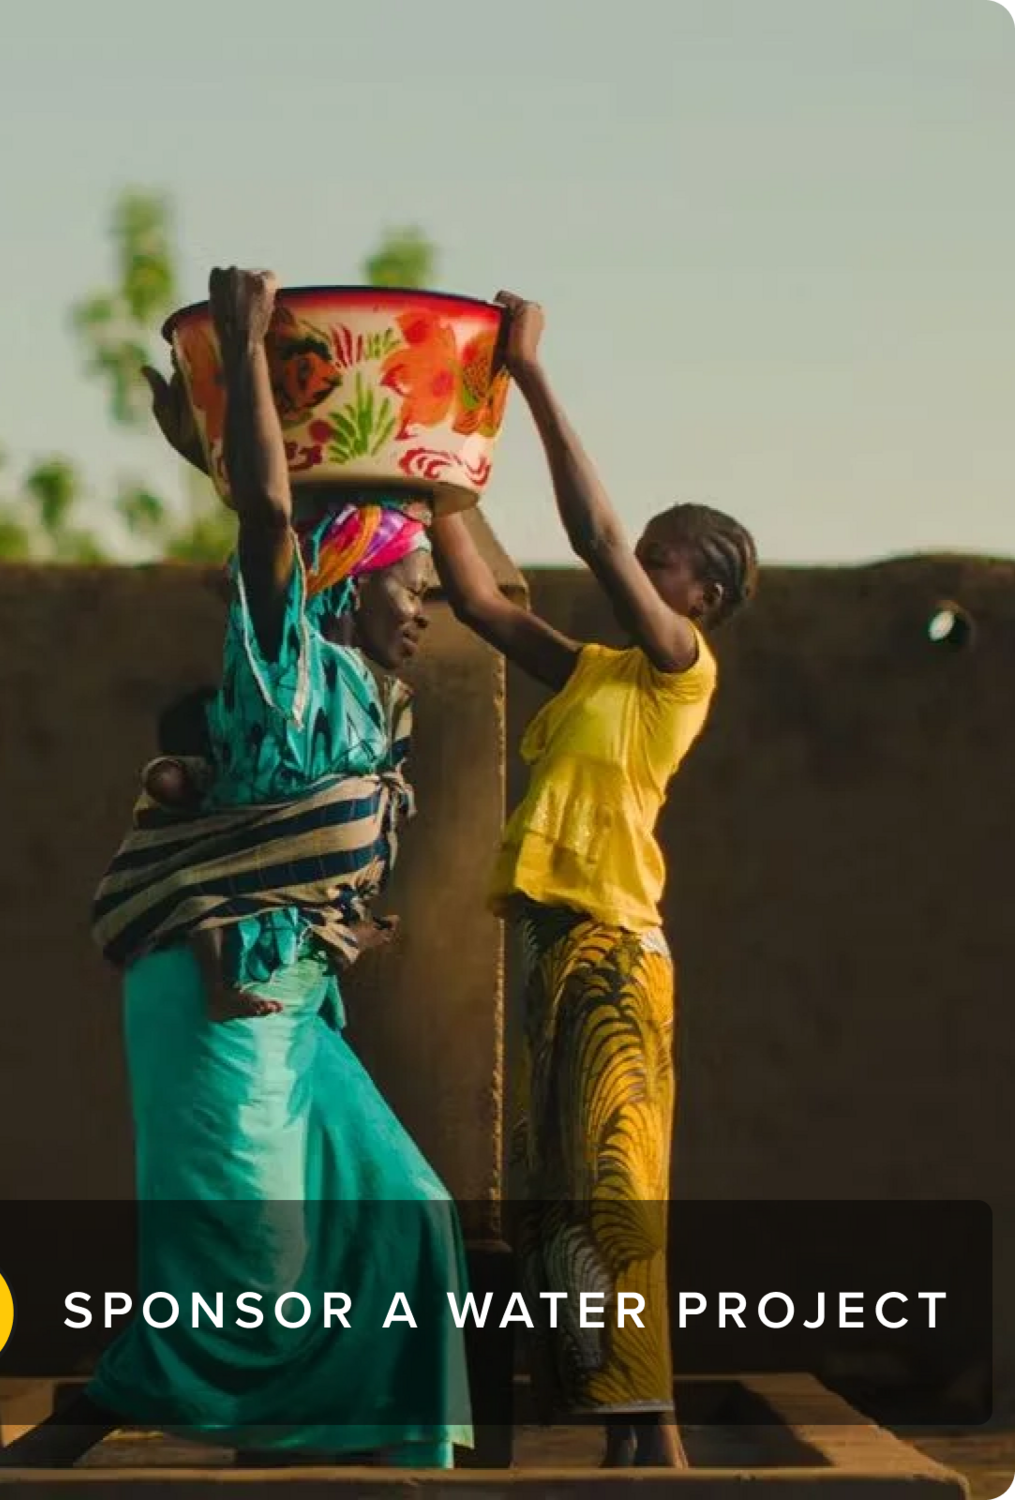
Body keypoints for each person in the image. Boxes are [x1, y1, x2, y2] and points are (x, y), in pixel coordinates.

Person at [1, 268, 472, 1470]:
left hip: (297, 1004)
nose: (424, 607)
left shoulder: (376, 699)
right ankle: (51, 1452)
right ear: (354, 584)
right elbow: (272, 526)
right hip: (221, 997)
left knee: (407, 1216)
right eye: (411, 585)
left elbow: (282, 518)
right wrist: (248, 358)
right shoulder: (289, 665)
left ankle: (370, 1452)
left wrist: (207, 449)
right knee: (245, 1277)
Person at [431, 291, 758, 1468]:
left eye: (661, 558)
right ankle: (626, 1441)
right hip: (552, 948)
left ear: (700, 598)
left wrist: (528, 376)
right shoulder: (592, 675)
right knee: (560, 1204)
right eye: (647, 551)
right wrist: (433, 474)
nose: (638, 564)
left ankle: (653, 1438)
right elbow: (479, 601)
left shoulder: (678, 671)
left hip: (613, 952)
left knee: (615, 1203)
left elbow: (592, 540)